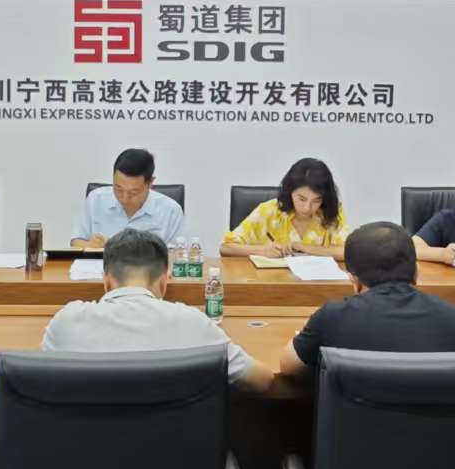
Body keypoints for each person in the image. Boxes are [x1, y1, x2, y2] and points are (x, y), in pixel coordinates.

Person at [42, 228, 272, 391]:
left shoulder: (66, 322)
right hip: (176, 447)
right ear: (164, 282)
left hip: (83, 446)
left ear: (106, 282)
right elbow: (262, 380)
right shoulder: (191, 323)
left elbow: (40, 379)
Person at [279, 222, 455, 376]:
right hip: (438, 426)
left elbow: (288, 366)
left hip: (357, 426)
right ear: (416, 272)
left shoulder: (332, 317)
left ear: (354, 281)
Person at [223, 157, 348, 260]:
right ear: (290, 191)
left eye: (316, 201)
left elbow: (346, 253)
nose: (307, 208)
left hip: (319, 282)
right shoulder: (268, 211)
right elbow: (226, 248)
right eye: (302, 199)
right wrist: (263, 250)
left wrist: (305, 248)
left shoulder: (331, 212)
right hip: (271, 281)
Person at [71, 148, 185, 250]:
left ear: (150, 183)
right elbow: (76, 241)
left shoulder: (171, 211)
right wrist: (90, 245)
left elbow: (177, 254)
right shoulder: (96, 199)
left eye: (133, 192)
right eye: (118, 189)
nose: (124, 198)